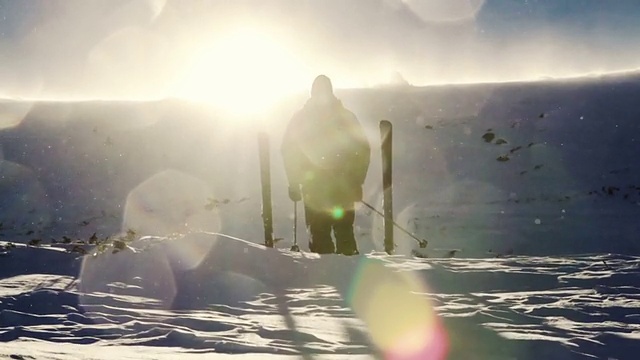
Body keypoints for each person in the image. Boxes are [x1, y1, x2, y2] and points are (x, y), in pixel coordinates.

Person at [281, 75, 370, 255]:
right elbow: (362, 151)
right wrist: (356, 180)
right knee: (342, 232)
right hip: (340, 184)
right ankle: (344, 272)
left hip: (315, 185)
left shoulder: (301, 119)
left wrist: (294, 182)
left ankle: (324, 276)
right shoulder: (345, 117)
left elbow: (289, 151)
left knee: (320, 233)